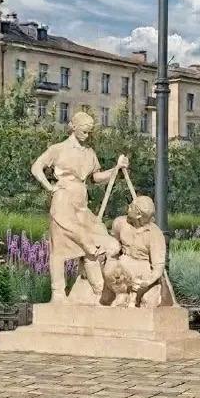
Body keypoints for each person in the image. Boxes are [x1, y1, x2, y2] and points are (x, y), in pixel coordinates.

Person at [30, 111, 128, 303]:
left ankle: (95, 290)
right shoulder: (58, 149)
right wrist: (50, 187)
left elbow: (95, 177)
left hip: (82, 206)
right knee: (59, 249)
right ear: (73, 127)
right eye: (84, 130)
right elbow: (36, 167)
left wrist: (116, 169)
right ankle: (58, 293)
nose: (87, 134)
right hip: (63, 203)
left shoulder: (89, 153)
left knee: (97, 242)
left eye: (90, 131)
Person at [108, 195, 176, 307]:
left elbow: (158, 267)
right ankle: (120, 295)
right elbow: (113, 243)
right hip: (122, 263)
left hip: (142, 268)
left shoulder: (155, 234)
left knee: (148, 301)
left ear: (138, 214)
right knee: (111, 269)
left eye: (132, 207)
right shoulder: (120, 223)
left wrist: (147, 281)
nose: (128, 207)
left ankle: (138, 297)